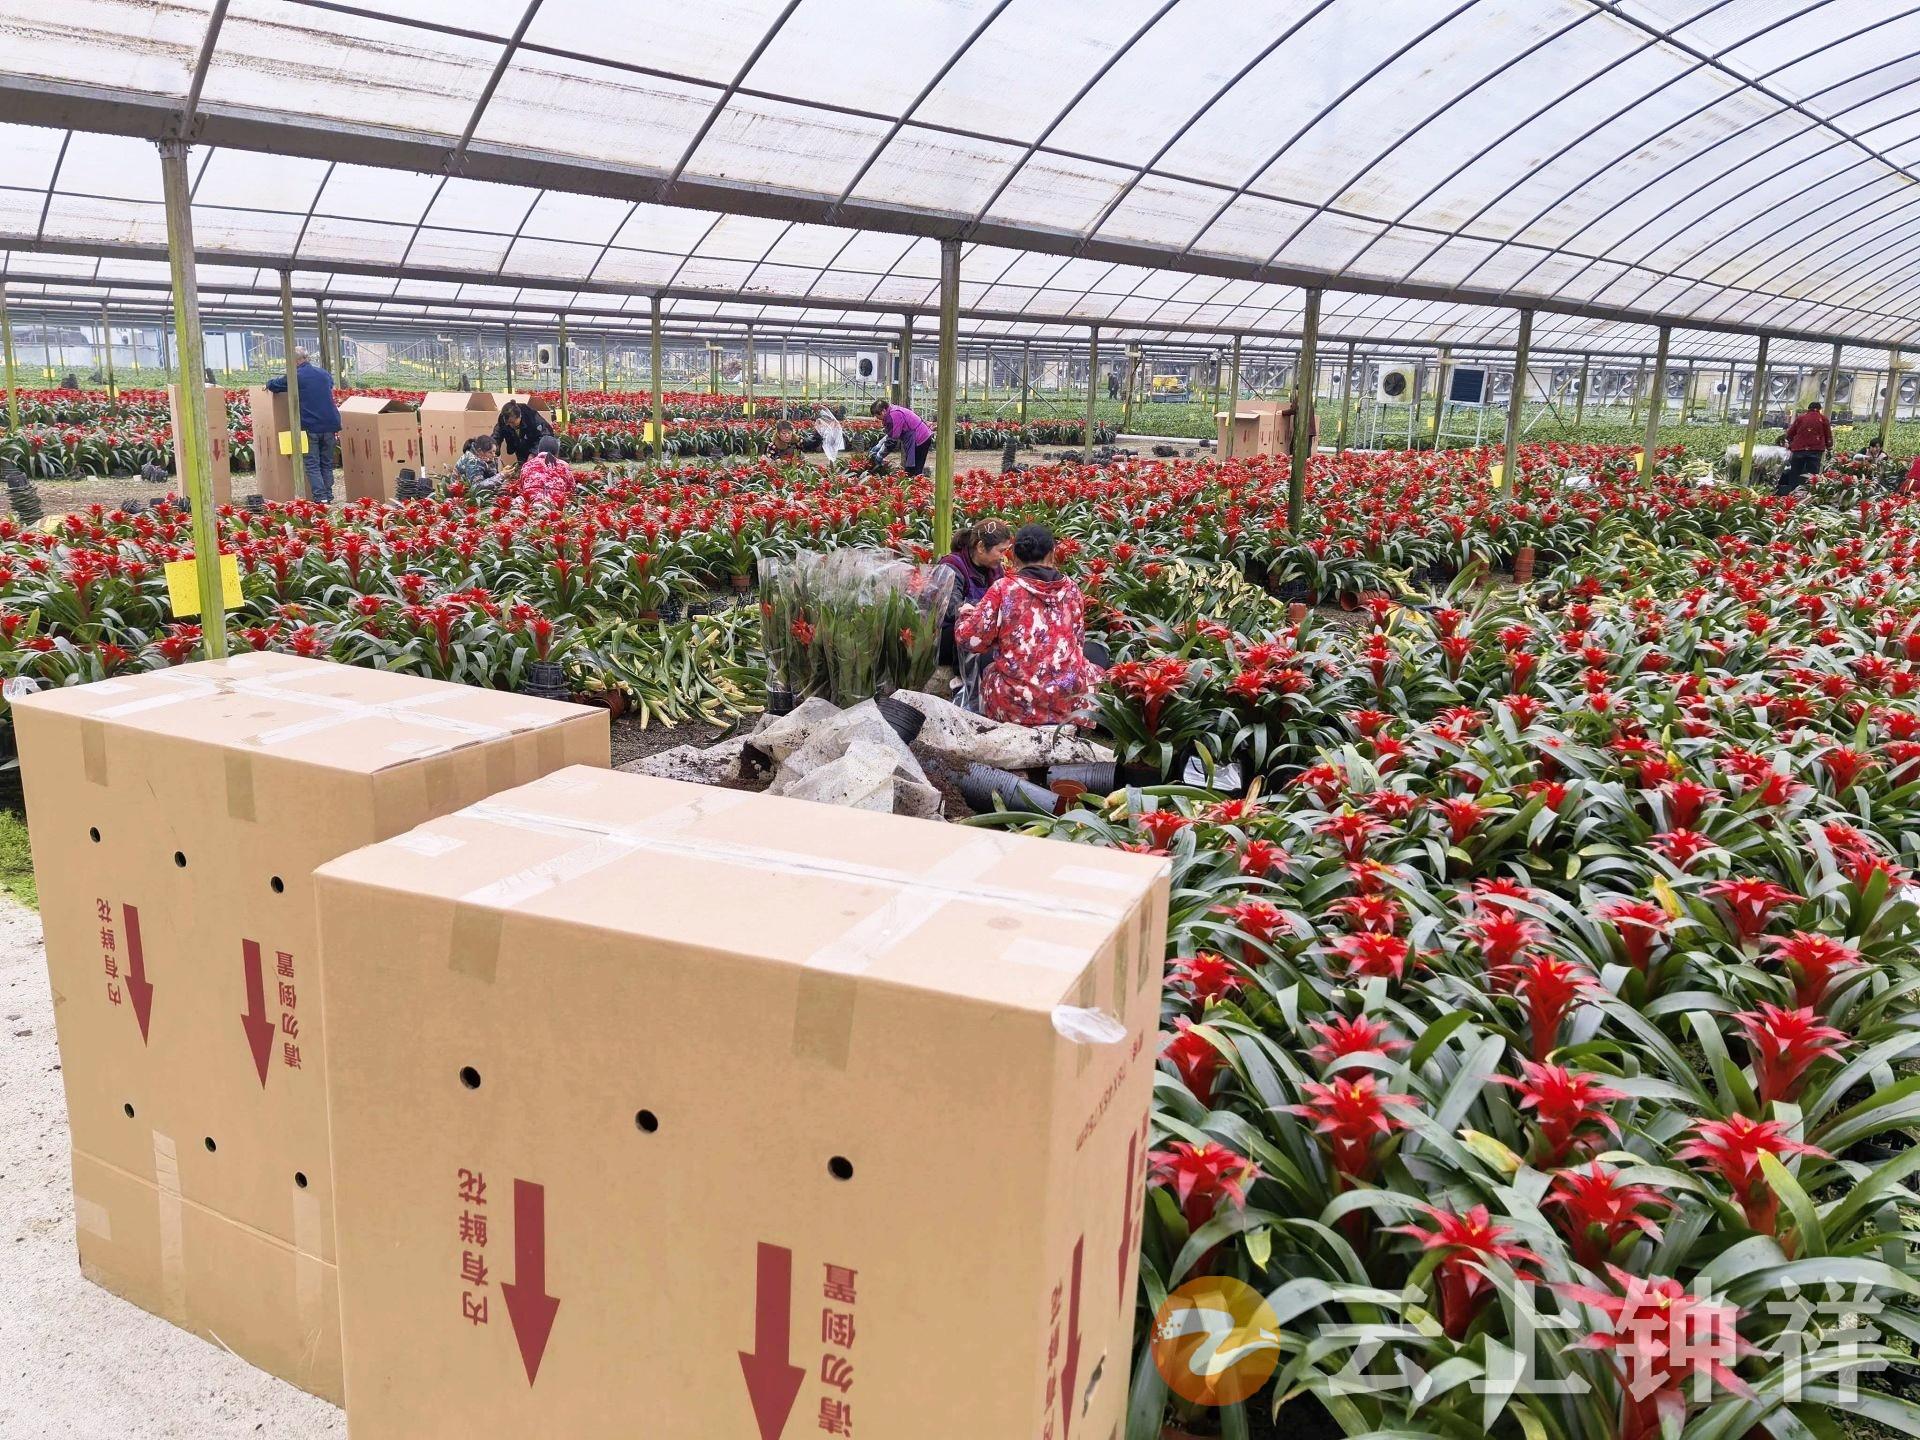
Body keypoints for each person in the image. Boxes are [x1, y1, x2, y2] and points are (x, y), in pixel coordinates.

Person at [954, 523, 1102, 727]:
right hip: (1066, 703)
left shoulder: (1004, 588)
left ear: (1014, 556)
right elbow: (1078, 641)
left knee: (987, 662)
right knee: (1098, 655)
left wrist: (966, 613)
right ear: (1051, 554)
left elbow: (970, 639)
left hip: (1015, 705)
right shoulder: (1072, 589)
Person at [265, 346, 342, 504]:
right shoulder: (324, 374)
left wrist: (268, 383)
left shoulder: (295, 376)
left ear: (294, 361)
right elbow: (328, 386)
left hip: (310, 426)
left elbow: (275, 385)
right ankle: (328, 495)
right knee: (326, 463)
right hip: (330, 424)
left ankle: (321, 498)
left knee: (312, 463)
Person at [934, 518, 1013, 670]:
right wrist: (985, 609)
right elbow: (950, 609)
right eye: (1001, 551)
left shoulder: (995, 570)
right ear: (981, 547)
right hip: (951, 637)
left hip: (981, 630)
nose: (1003, 557)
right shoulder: (951, 565)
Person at [868, 398, 933, 477]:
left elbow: (892, 441)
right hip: (915, 437)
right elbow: (890, 434)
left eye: (877, 415)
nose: (876, 418)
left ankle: (917, 481)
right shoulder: (890, 412)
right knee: (911, 467)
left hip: (920, 439)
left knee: (914, 468)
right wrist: (877, 447)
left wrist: (879, 455)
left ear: (883, 411)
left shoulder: (894, 415)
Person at [1780, 399, 1833, 492]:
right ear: (1820, 409)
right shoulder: (1823, 419)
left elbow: (1790, 433)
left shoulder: (1800, 418)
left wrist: (1790, 442)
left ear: (1808, 409)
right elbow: (1828, 434)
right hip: (1815, 449)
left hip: (1799, 449)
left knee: (1795, 472)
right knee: (1812, 474)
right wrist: (1829, 447)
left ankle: (1793, 492)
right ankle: (1808, 492)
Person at [508, 435, 575, 507]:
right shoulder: (563, 466)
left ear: (539, 451)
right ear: (556, 453)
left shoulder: (527, 465)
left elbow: (522, 487)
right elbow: (571, 489)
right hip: (555, 505)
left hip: (532, 505)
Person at [492, 399, 555, 471]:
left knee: (535, 469)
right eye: (508, 423)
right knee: (523, 468)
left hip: (534, 445)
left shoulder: (532, 417)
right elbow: (497, 435)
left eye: (512, 422)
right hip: (519, 446)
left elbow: (546, 435)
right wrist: (493, 450)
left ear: (520, 416)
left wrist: (533, 453)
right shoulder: (503, 419)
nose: (511, 426)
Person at [1279, 389, 1319, 455]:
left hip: (1302, 428)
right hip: (1309, 429)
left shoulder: (1300, 397)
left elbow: (1294, 409)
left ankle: (1296, 460)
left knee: (1294, 448)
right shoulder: (1308, 398)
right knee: (1306, 449)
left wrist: (1282, 412)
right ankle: (1306, 461)